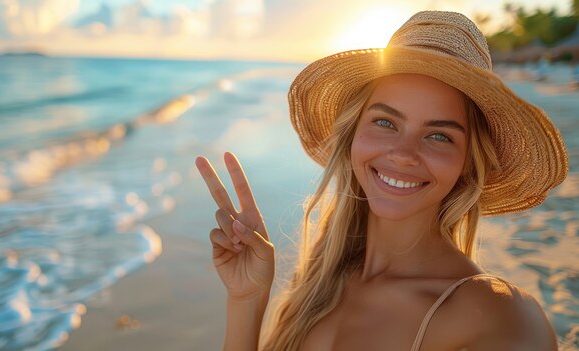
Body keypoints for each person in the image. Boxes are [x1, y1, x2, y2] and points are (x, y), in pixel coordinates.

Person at [195, 11, 568, 351]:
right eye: (386, 122)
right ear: (353, 135)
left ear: (468, 164)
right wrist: (246, 301)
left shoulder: (502, 320)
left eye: (439, 135)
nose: (404, 153)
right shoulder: (320, 285)